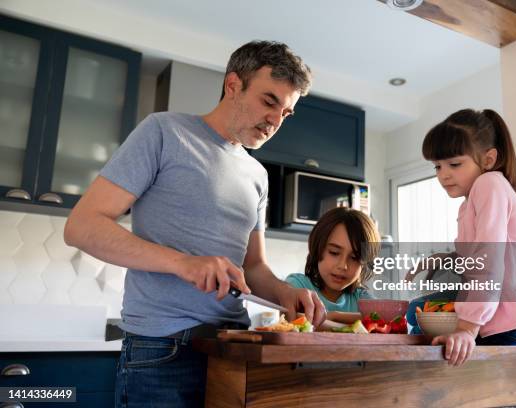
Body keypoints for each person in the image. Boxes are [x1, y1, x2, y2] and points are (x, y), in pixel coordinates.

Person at [64, 40, 326, 408]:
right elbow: (81, 226)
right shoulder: (164, 132)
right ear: (233, 85)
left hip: (232, 347)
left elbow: (253, 267)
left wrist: (285, 293)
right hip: (162, 350)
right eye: (269, 102)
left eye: (286, 112)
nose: (275, 120)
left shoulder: (258, 176)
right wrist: (183, 262)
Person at [416, 108, 516, 366]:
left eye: (454, 164)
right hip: (508, 314)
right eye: (437, 166)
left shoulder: (488, 185)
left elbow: (488, 263)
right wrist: (448, 259)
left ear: (488, 159)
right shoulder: (475, 198)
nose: (443, 174)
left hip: (508, 318)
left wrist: (467, 329)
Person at [285, 207, 380, 319]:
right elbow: (292, 320)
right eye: (334, 253)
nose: (342, 266)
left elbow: (384, 320)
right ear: (317, 248)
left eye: (354, 258)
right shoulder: (297, 286)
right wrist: (336, 317)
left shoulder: (363, 299)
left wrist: (335, 316)